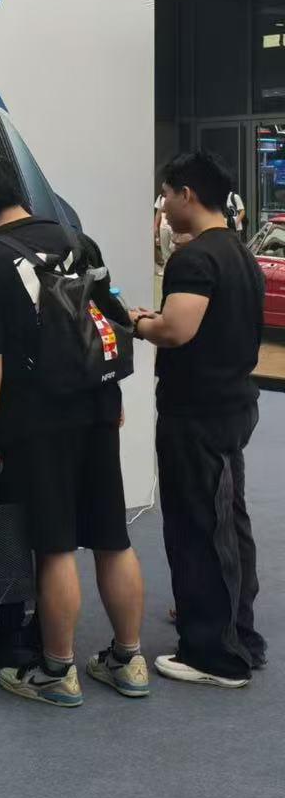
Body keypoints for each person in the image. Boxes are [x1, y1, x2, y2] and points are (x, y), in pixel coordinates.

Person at [0, 152, 146, 708]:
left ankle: (57, 670)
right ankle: (128, 659)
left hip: (37, 418)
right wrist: (112, 398)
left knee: (54, 544)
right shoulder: (80, 242)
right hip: (97, 405)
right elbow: (109, 325)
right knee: (112, 536)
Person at [131, 151, 267, 688]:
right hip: (232, 403)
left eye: (166, 195)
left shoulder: (194, 259)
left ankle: (215, 654)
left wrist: (137, 323)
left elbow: (176, 331)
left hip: (198, 411)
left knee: (198, 526)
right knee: (228, 520)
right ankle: (238, 633)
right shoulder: (239, 253)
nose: (163, 207)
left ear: (187, 193)